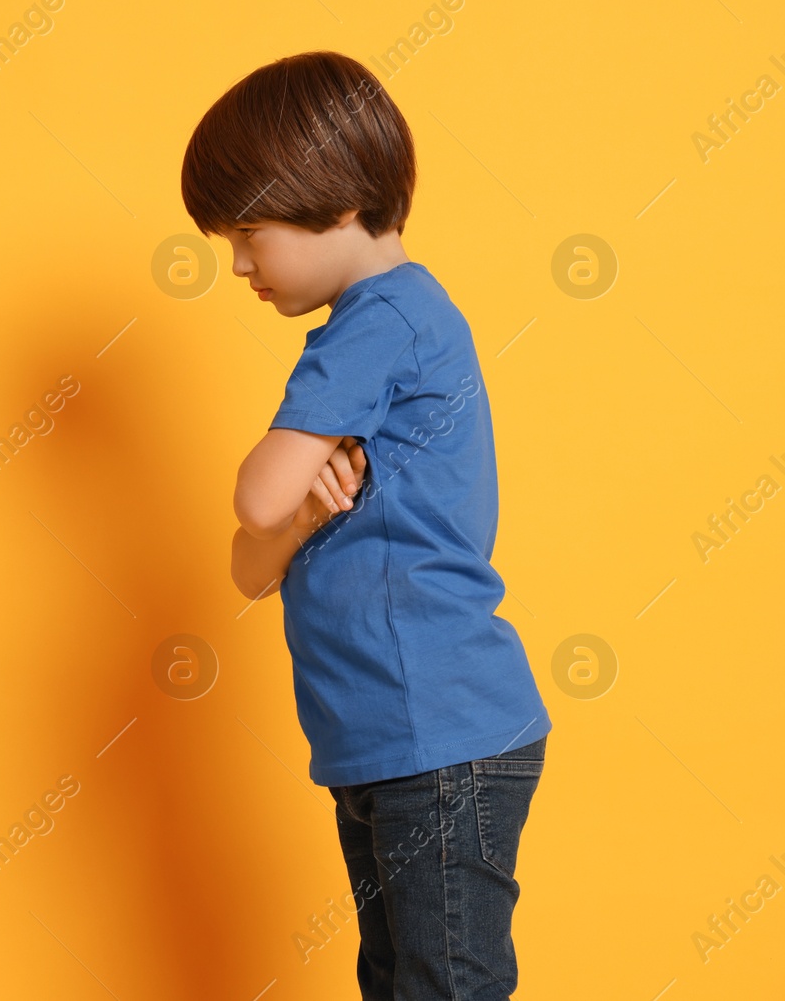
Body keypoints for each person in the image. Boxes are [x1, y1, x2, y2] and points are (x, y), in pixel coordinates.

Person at [183, 51, 551, 1000]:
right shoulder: (383, 326)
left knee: (442, 984)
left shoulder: (380, 319)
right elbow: (250, 563)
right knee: (401, 981)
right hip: (388, 740)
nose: (238, 263)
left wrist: (285, 499)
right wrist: (310, 506)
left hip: (438, 734)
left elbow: (255, 501)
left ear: (336, 203)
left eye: (250, 231)